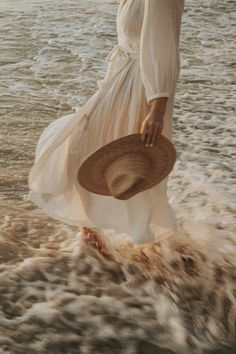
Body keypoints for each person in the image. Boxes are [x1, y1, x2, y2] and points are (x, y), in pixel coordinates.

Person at [28, 0, 185, 250]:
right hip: (119, 80)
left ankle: (114, 238)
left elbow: (163, 47)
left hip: (143, 89)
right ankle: (92, 232)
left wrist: (157, 107)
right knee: (80, 145)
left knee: (124, 160)